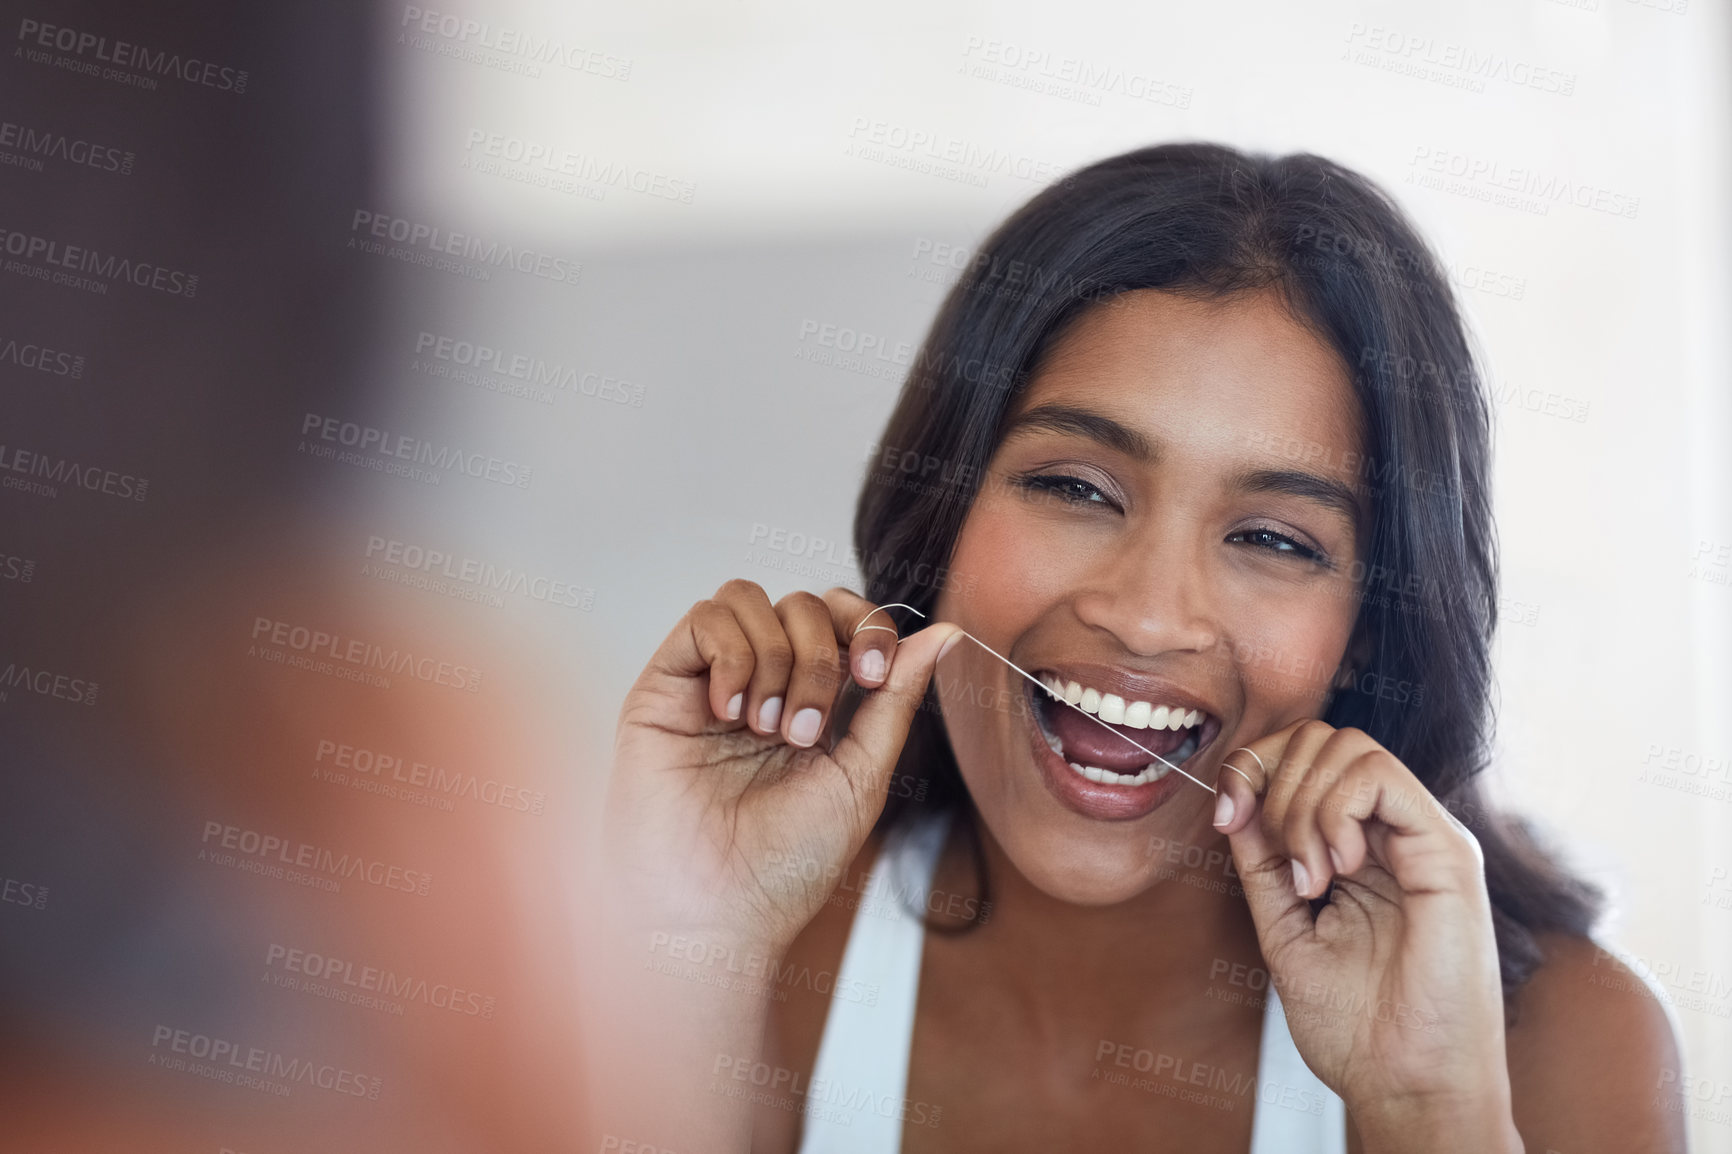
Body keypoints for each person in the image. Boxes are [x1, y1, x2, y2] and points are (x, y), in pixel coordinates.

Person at [602, 143, 1683, 1153]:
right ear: (941, 523)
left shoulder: (1558, 1053)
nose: (1149, 615)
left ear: (1370, 629)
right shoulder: (765, 953)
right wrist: (684, 958)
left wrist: (1429, 1113)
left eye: (1271, 537)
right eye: (1075, 487)